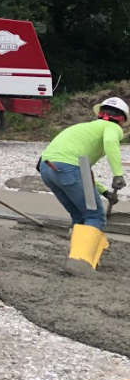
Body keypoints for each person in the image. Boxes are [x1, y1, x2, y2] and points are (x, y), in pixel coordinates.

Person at [37, 96, 127, 277]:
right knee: (95, 215)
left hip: (47, 168)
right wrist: (118, 174)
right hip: (68, 168)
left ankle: (78, 258)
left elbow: (84, 172)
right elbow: (110, 143)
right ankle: (81, 265)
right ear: (122, 119)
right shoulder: (113, 128)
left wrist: (104, 191)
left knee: (79, 215)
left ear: (101, 113)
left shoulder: (84, 128)